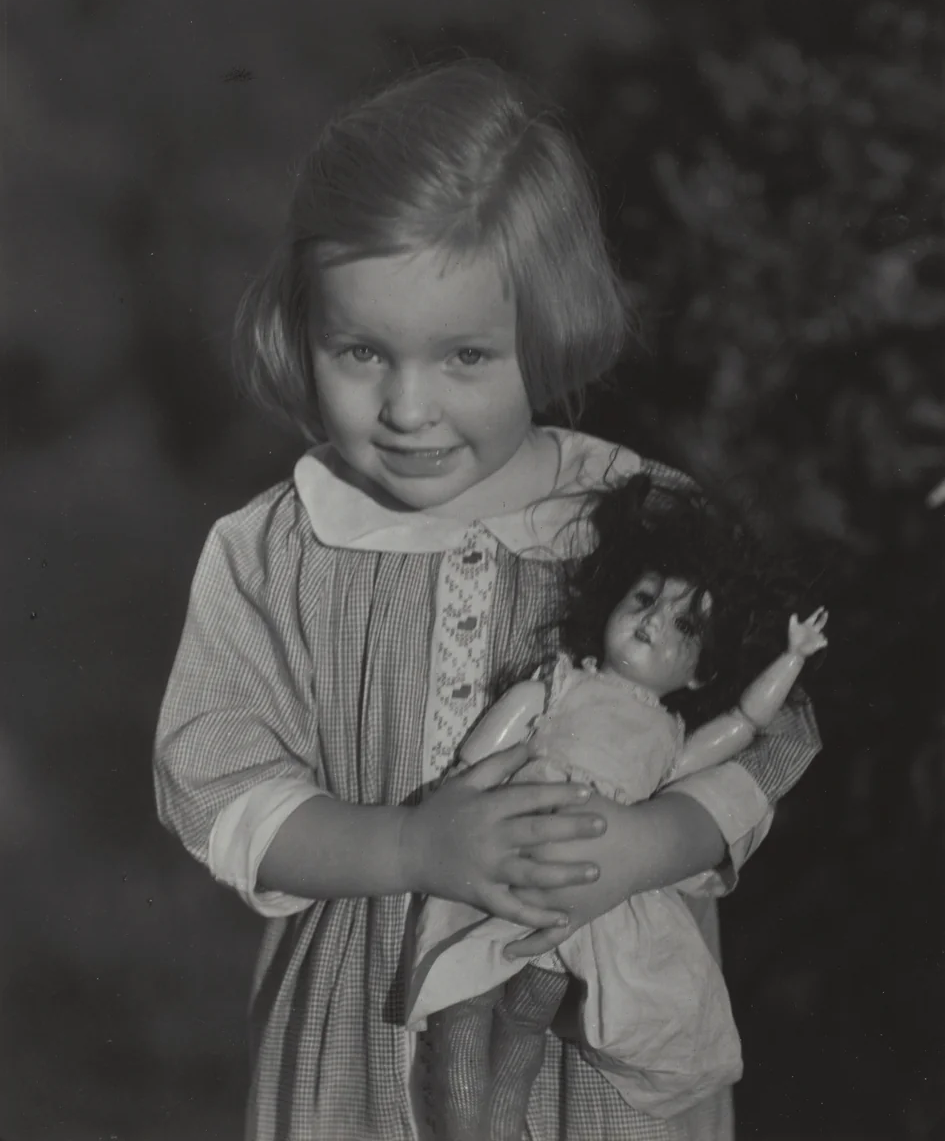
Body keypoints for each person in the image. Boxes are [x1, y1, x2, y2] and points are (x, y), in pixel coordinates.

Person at [153, 59, 822, 1141]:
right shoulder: (274, 550)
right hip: (367, 1038)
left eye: (466, 355)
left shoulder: (641, 523)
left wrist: (654, 845)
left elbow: (769, 734)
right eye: (362, 351)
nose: (409, 408)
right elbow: (220, 790)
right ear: (303, 325)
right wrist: (411, 852)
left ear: (549, 330)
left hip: (599, 1024)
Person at [406, 473, 828, 1141]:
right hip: (496, 862)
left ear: (698, 673)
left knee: (520, 1035)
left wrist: (791, 657)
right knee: (460, 1025)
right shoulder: (563, 683)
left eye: (684, 624)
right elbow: (490, 750)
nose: (653, 620)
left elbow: (743, 725)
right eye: (644, 598)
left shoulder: (665, 738)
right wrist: (457, 790)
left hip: (575, 908)